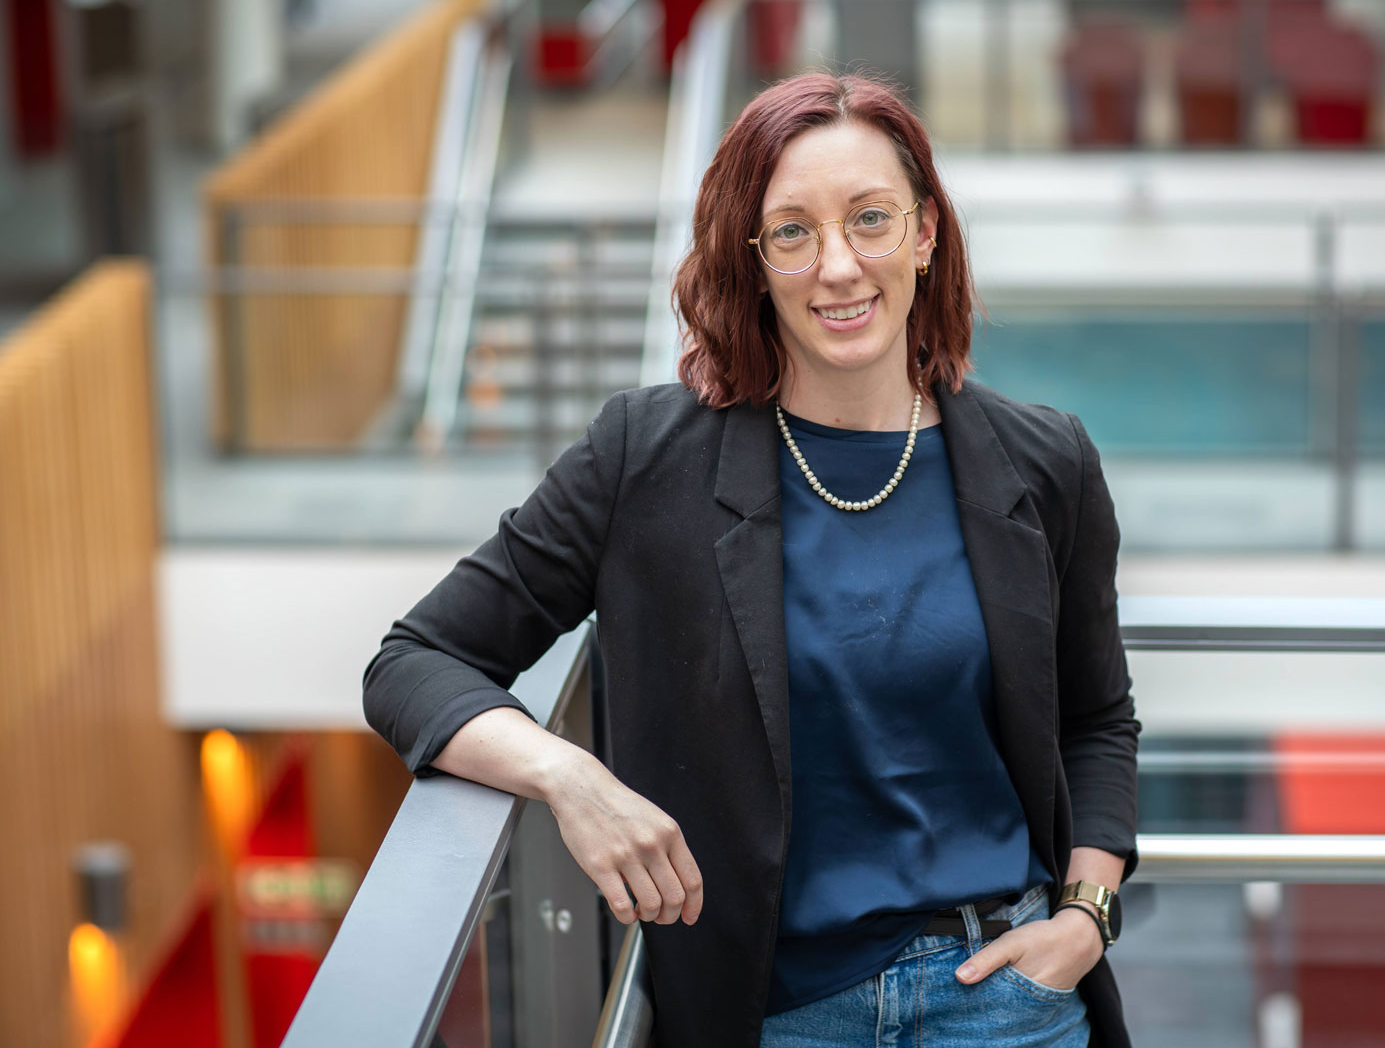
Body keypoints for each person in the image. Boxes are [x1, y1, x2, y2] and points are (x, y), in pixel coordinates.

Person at [364, 71, 1140, 1048]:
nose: (839, 266)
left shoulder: (1043, 460)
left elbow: (1097, 716)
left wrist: (1084, 916)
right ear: (754, 258)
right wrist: (572, 777)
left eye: (870, 219)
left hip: (1005, 996)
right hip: (776, 1015)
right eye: (792, 232)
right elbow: (414, 660)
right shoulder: (644, 458)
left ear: (926, 234)